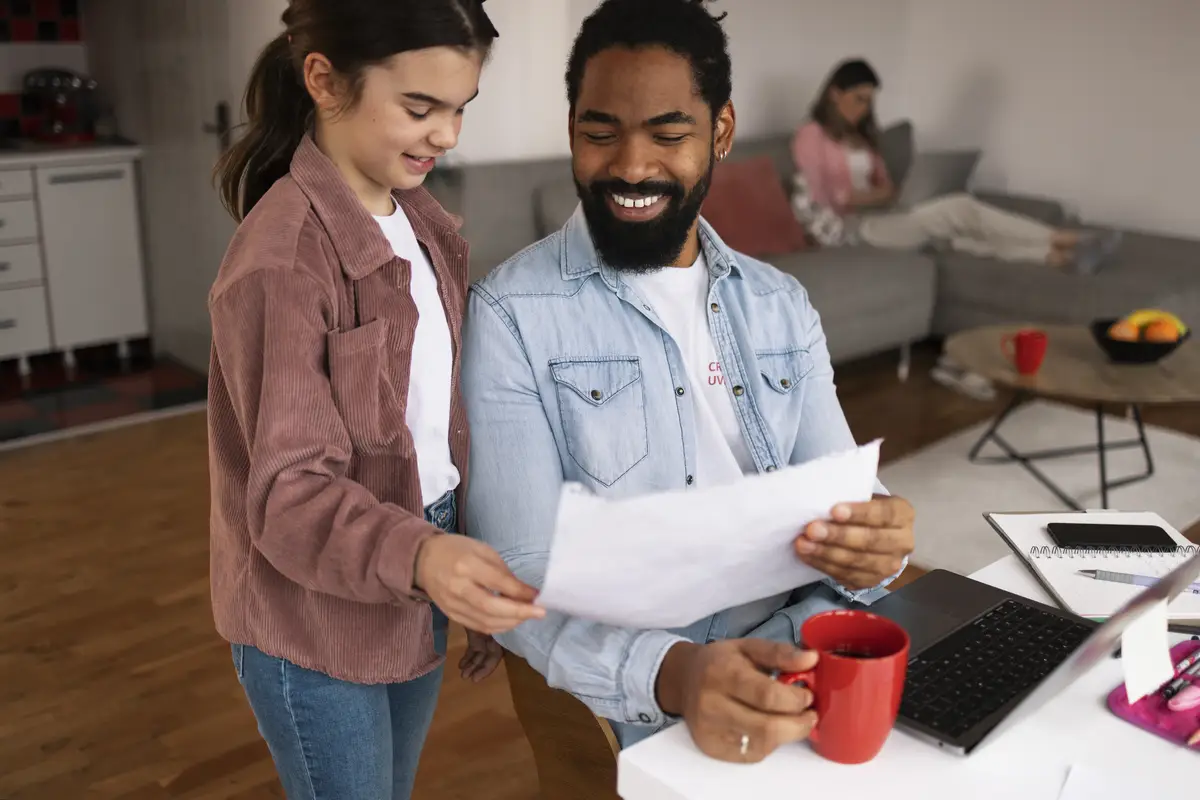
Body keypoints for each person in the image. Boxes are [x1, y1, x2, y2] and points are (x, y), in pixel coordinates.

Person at [461, 0, 915, 765]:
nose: (632, 167)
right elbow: (516, 581)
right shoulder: (511, 315)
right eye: (600, 132)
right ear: (571, 127)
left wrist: (881, 543)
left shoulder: (781, 305)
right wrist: (677, 674)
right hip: (650, 682)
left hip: (815, 648)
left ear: (721, 132)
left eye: (668, 134)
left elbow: (848, 505)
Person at [206, 2, 546, 798]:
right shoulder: (283, 261)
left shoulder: (424, 226)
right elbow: (289, 497)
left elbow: (433, 433)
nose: (448, 135)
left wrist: (452, 559)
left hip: (410, 577)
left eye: (460, 108)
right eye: (420, 108)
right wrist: (426, 555)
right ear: (324, 79)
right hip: (312, 620)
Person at [791, 58, 1121, 274]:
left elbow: (888, 188)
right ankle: (1065, 238)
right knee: (960, 209)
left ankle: (1061, 259)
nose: (865, 109)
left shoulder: (864, 137)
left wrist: (874, 196)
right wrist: (868, 197)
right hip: (854, 231)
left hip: (886, 218)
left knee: (964, 241)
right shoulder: (811, 135)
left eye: (870, 101)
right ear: (835, 94)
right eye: (859, 99)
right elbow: (823, 200)